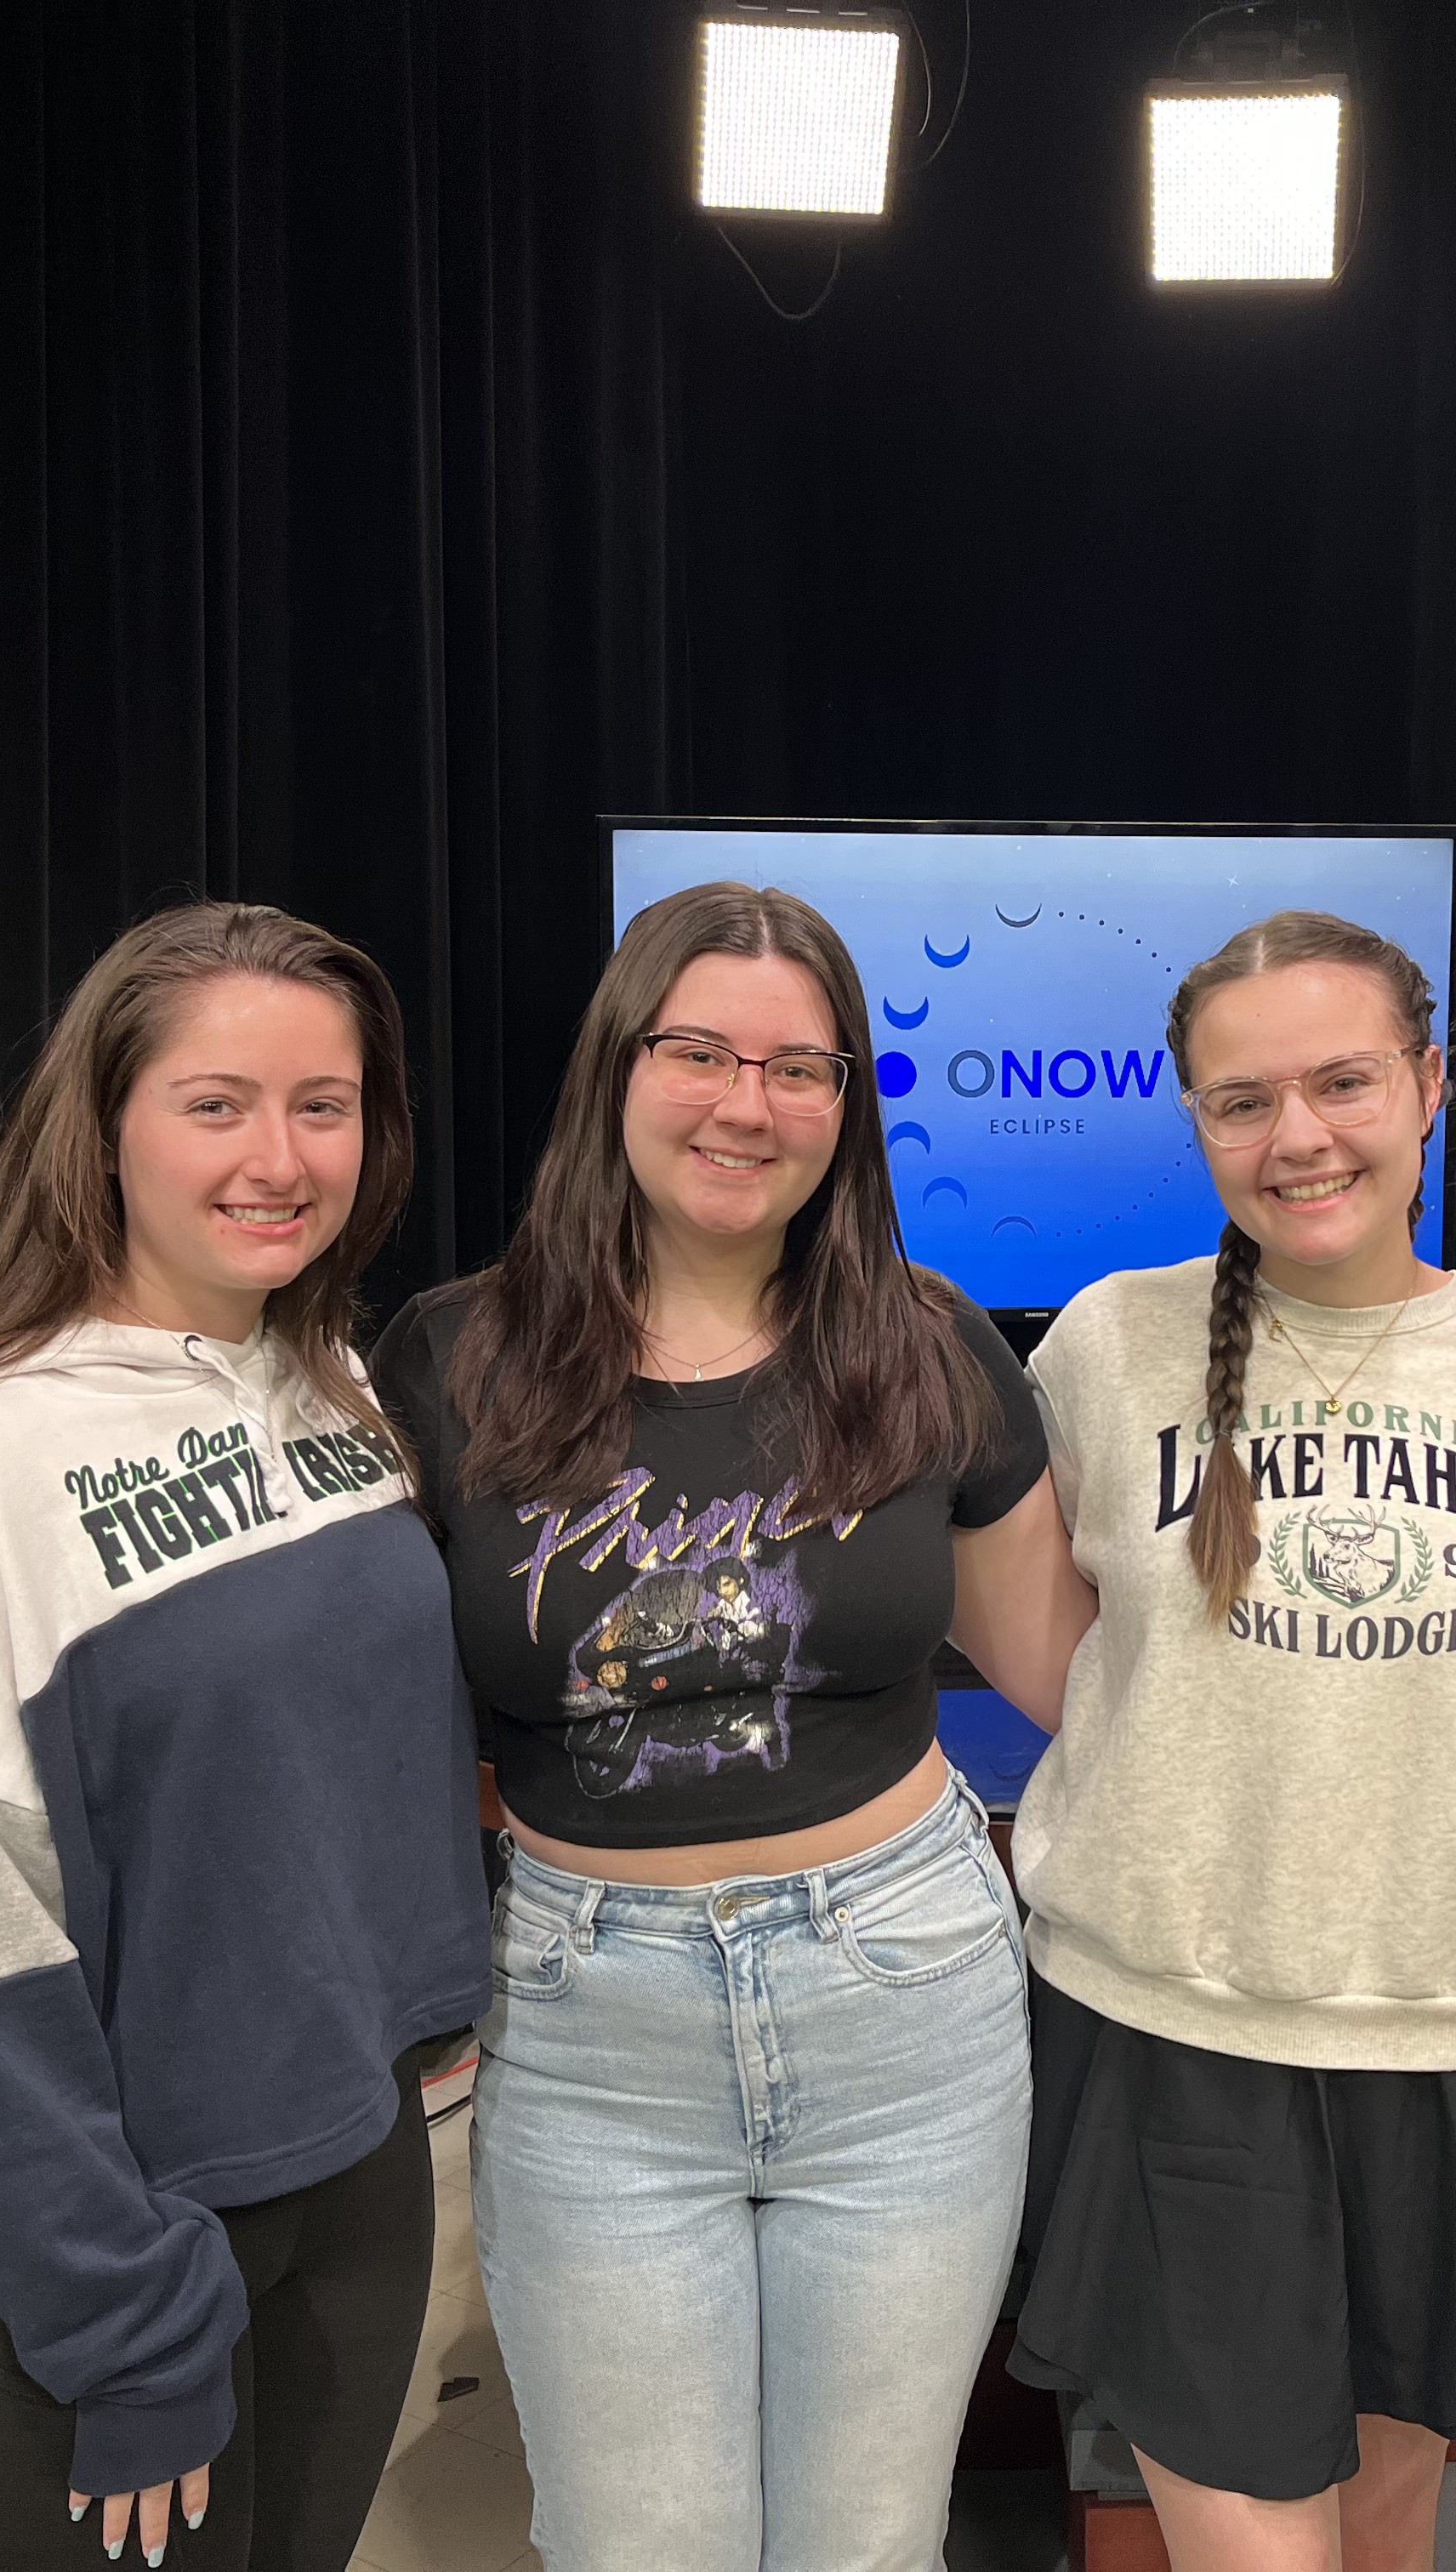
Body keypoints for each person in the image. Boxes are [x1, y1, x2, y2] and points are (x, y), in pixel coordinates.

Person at [368, 881, 1092, 2572]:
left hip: (904, 2005)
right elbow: (364, 1708)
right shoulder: (450, 1357)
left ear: (847, 1104)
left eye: (800, 1066)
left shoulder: (927, 1347)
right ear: (617, 1067)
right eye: (697, 1050)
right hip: (585, 2023)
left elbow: (1073, 1676)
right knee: (639, 2548)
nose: (744, 1103)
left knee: (863, 2545)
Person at [0, 903, 488, 2572]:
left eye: (325, 1105)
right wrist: (121, 2326)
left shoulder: (328, 1379)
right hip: (99, 2234)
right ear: (101, 1128)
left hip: (349, 2166)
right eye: (215, 1104)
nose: (280, 1155)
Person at [1003, 912, 1456, 2572]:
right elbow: (1051, 1651)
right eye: (1240, 1101)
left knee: (1391, 2520)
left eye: (1344, 1082)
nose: (1299, 1138)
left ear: (1431, 1084)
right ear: (1192, 1118)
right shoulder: (1104, 1345)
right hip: (1183, 2029)